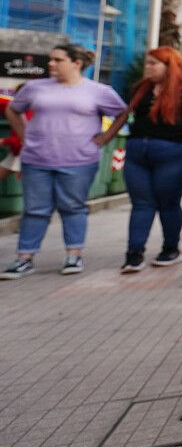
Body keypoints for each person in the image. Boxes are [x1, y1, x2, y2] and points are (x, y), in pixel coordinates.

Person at [0, 44, 126, 278]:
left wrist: (107, 137)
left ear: (76, 63)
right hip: (37, 159)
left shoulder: (98, 91)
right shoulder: (34, 87)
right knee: (35, 209)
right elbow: (13, 110)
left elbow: (122, 112)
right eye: (51, 59)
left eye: (57, 60)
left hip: (79, 161)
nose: (51, 63)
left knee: (73, 208)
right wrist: (24, 137)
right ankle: (24, 259)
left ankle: (73, 256)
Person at [117, 47, 182, 273]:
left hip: (176, 153)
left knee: (167, 202)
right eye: (147, 63)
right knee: (141, 203)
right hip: (138, 152)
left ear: (169, 65)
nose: (148, 67)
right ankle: (134, 253)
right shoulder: (141, 89)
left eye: (154, 63)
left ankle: (171, 248)